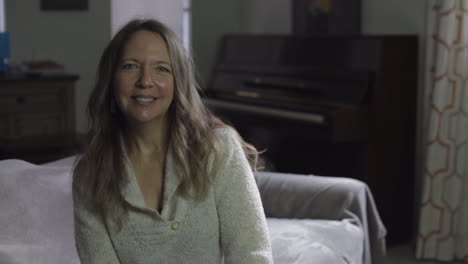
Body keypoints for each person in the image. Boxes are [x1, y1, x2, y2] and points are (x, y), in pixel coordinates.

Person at [72, 18, 273, 263]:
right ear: (111, 79)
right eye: (130, 66)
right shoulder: (89, 175)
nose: (145, 81)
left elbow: (252, 254)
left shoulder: (218, 148)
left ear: (178, 82)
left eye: (162, 69)